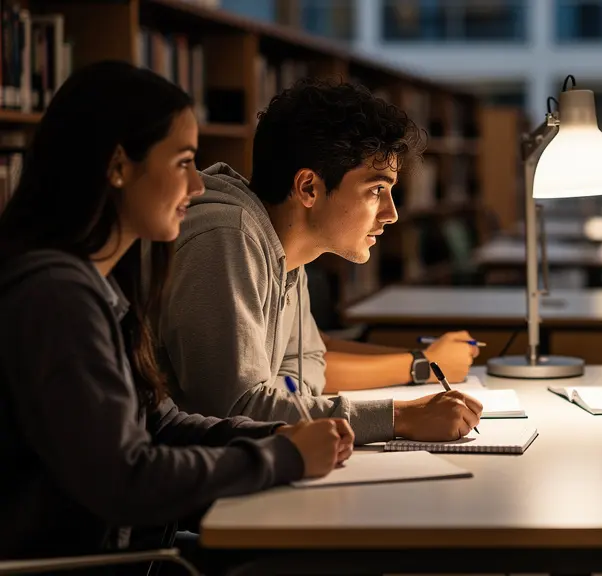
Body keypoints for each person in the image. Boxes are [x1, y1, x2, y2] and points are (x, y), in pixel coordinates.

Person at [0, 61, 352, 562]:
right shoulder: (56, 300)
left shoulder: (98, 284)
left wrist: (276, 435)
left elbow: (161, 425)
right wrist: (283, 457)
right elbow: (126, 478)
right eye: (183, 162)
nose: (197, 186)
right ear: (119, 166)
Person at [159, 76, 482, 443]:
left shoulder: (287, 251)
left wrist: (280, 402)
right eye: (376, 190)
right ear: (309, 187)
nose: (391, 214)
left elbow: (310, 361)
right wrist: (400, 417)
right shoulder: (228, 236)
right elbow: (237, 411)